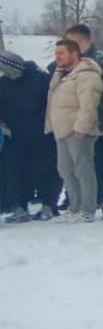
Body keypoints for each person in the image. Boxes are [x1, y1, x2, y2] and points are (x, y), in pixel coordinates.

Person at [57, 24, 103, 219]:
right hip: (74, 122)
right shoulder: (65, 65)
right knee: (74, 163)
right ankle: (75, 199)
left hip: (100, 119)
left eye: (74, 42)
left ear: (86, 42)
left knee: (102, 161)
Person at [45, 38, 103, 222]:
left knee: (83, 169)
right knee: (65, 169)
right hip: (61, 130)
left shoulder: (86, 74)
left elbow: (89, 104)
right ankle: (75, 206)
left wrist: (82, 127)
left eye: (61, 53)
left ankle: (87, 209)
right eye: (56, 53)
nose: (58, 57)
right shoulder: (60, 74)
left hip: (78, 131)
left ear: (74, 53)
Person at [1, 52, 58, 222]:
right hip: (15, 136)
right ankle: (20, 206)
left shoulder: (41, 80)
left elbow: (53, 103)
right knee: (17, 172)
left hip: (42, 135)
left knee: (45, 171)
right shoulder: (4, 84)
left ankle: (48, 205)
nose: (7, 74)